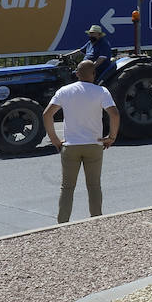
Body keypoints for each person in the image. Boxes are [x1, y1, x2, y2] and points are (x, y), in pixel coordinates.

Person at [43, 59, 120, 223]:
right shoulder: (101, 91)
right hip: (94, 144)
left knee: (67, 187)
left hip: (71, 146)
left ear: (77, 74)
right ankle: (96, 220)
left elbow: (47, 114)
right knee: (94, 186)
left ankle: (62, 223)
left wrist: (55, 140)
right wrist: (111, 137)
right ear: (94, 74)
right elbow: (114, 114)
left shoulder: (64, 91)